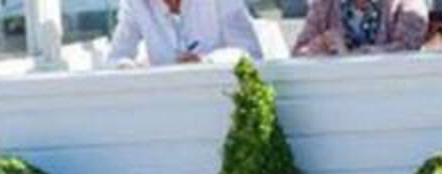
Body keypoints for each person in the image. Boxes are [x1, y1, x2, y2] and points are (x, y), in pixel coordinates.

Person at [107, 0, 264, 66]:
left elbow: (249, 53)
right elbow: (116, 58)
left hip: (221, 99)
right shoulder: (134, 3)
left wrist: (206, 62)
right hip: (166, 105)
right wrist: (128, 67)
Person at [293, 0, 428, 55]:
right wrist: (318, 46)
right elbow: (298, 53)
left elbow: (408, 50)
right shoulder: (324, 5)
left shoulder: (408, 4)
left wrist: (350, 55)